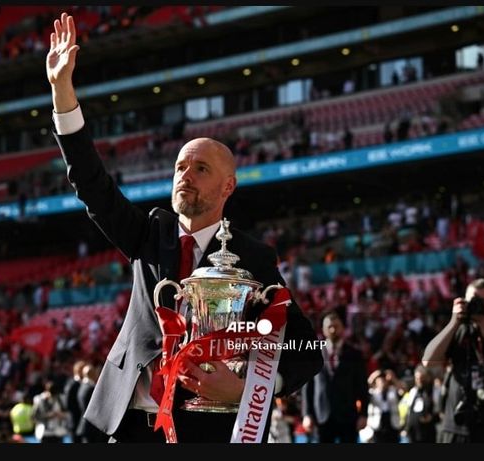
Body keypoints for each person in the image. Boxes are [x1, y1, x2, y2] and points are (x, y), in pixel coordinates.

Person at [46, 12, 323, 443]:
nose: (184, 175)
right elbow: (90, 183)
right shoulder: (148, 233)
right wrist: (62, 93)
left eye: (200, 168)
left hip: (204, 426)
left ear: (228, 185)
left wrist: (252, 386)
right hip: (130, 420)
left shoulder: (252, 259)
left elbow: (306, 347)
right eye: (179, 167)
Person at [422, 278, 484, 442]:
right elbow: (428, 361)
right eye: (473, 301)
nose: (478, 306)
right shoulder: (458, 332)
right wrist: (454, 322)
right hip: (457, 428)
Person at [301, 310, 368, 443]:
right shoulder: (314, 353)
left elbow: (362, 386)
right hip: (321, 416)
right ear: (323, 330)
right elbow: (307, 387)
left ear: (342, 327)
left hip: (348, 417)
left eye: (336, 326)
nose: (332, 329)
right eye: (329, 327)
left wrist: (363, 415)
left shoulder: (355, 354)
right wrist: (307, 414)